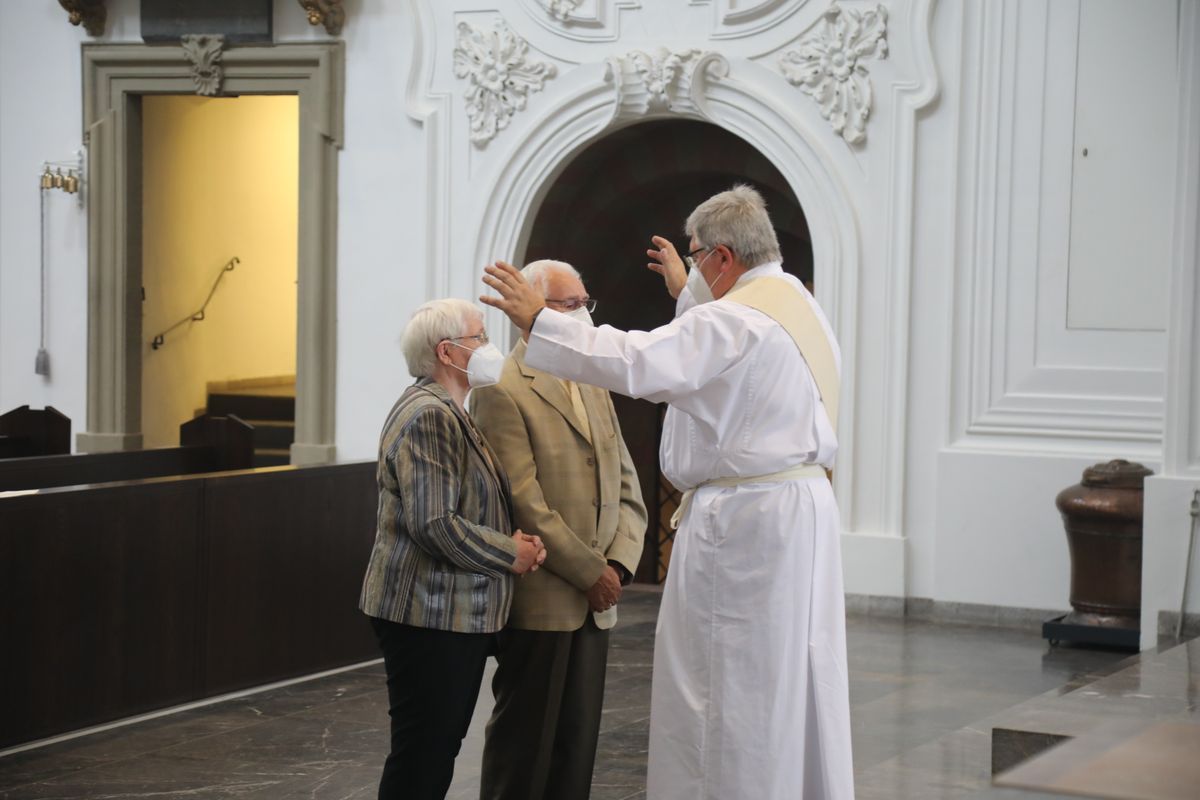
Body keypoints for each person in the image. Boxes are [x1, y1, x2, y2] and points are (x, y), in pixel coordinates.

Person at [479, 185, 854, 799]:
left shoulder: (735, 321)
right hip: (798, 514)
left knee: (725, 684)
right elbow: (713, 364)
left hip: (745, 524)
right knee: (792, 674)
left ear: (725, 258)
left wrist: (539, 320)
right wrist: (690, 293)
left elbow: (640, 360)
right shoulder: (797, 307)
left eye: (699, 255)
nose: (696, 265)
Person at [471, 260, 648, 800]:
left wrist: (617, 564)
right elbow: (524, 501)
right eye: (571, 306)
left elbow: (624, 477)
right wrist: (590, 570)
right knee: (526, 746)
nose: (584, 317)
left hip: (597, 597)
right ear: (534, 313)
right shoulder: (503, 387)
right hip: (545, 595)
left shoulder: (592, 380)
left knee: (577, 745)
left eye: (585, 304)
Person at [358, 298, 547, 800]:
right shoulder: (430, 416)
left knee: (435, 748)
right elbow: (434, 524)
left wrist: (512, 538)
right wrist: (511, 552)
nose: (489, 348)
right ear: (447, 351)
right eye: (479, 337)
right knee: (424, 753)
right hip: (428, 613)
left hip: (443, 612)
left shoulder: (448, 409)